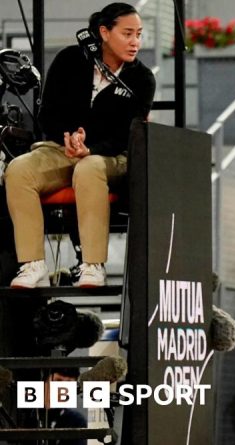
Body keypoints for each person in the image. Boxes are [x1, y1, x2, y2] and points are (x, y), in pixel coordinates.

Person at [5, 2, 155, 288]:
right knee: (18, 169)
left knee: (88, 167)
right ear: (104, 32)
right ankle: (33, 265)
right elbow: (48, 113)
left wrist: (91, 149)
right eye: (127, 33)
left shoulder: (142, 79)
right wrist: (69, 138)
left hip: (112, 155)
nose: (135, 41)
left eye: (139, 34)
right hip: (62, 148)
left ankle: (92, 265)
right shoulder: (69, 60)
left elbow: (130, 133)